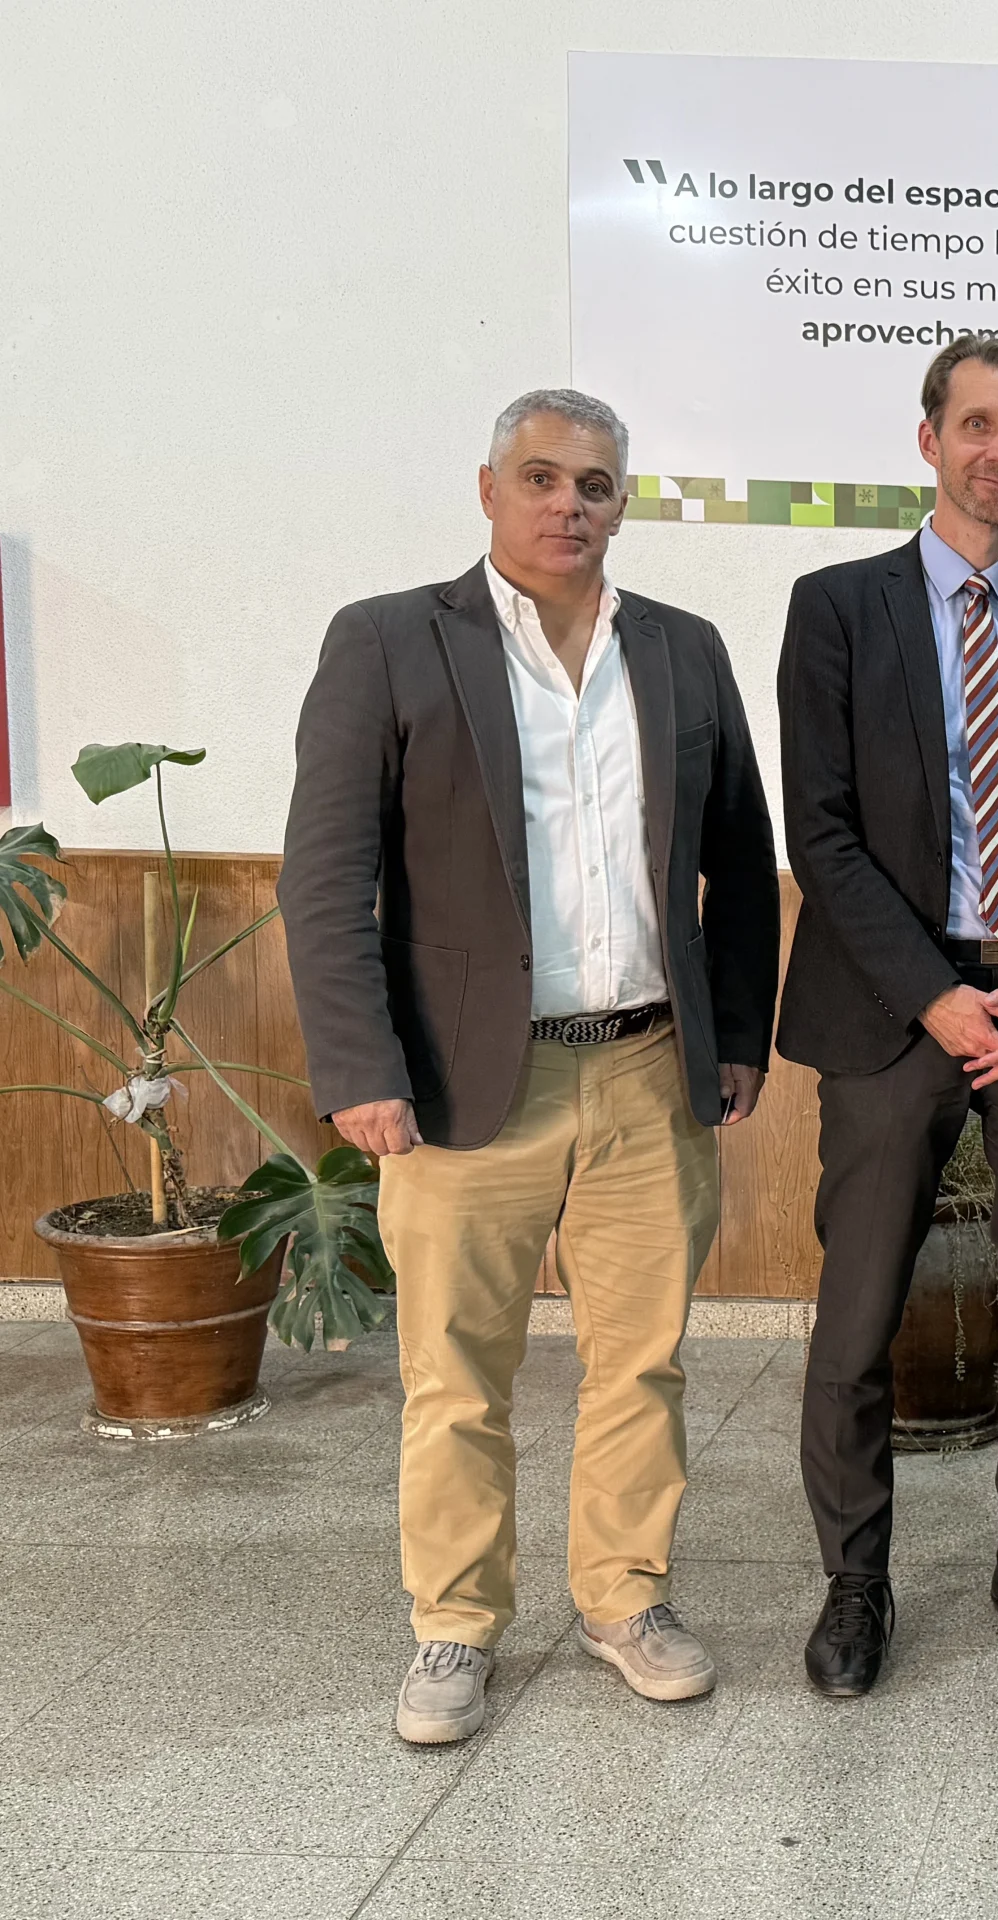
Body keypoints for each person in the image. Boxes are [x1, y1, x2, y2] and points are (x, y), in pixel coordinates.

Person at [279, 388, 779, 1745]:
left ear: (623, 504)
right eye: (544, 477)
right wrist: (358, 1064)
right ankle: (454, 1623)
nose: (571, 503)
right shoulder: (389, 639)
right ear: (489, 488)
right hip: (461, 1082)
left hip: (646, 1067)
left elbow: (740, 858)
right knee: (455, 1373)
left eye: (596, 484)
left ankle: (625, 1598)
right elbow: (325, 876)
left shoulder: (681, 647)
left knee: (643, 1363)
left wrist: (739, 1033)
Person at [778, 335, 998, 1697]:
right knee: (858, 1314)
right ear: (928, 439)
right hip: (893, 1007)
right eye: (979, 425)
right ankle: (855, 1580)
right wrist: (934, 996)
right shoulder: (835, 608)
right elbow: (821, 831)